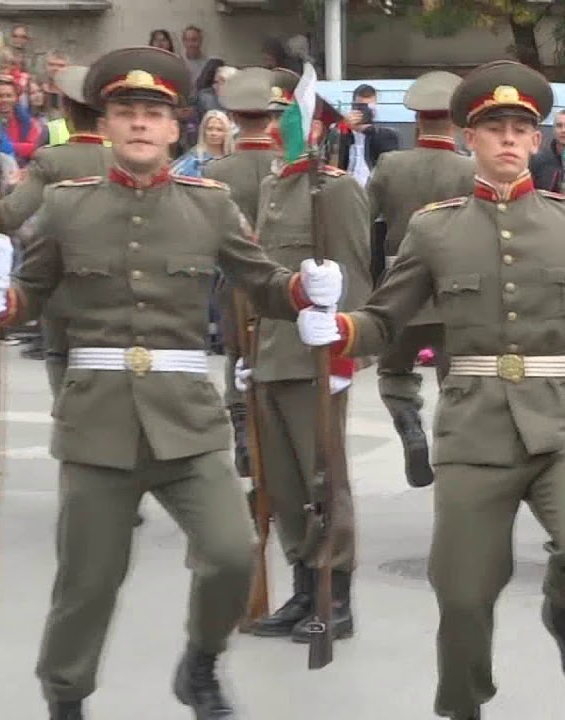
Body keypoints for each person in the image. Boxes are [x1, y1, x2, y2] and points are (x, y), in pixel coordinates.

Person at [295, 59, 565, 720]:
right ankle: (465, 707)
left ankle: (564, 612)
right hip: (474, 428)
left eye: (519, 128)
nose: (507, 138)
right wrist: (333, 326)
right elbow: (387, 319)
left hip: (560, 421)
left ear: (537, 141)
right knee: (463, 598)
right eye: (492, 126)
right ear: (469, 138)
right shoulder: (434, 228)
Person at [0, 46, 322, 720]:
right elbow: (31, 295)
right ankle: (66, 694)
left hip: (186, 419)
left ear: (176, 126)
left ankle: (201, 662)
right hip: (97, 423)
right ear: (108, 123)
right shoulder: (68, 207)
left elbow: (260, 282)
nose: (140, 124)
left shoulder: (209, 206)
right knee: (87, 583)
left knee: (231, 553)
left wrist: (305, 291)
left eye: (154, 113)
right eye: (126, 112)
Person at [232, 67, 372, 645]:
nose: (276, 128)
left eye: (286, 118)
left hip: (315, 363)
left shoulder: (335, 189)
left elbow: (357, 277)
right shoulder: (270, 186)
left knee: (324, 481)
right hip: (269, 357)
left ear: (315, 125)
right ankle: (299, 586)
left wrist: (342, 355)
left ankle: (333, 595)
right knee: (283, 485)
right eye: (271, 119)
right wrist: (247, 351)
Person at [0, 66, 113, 395]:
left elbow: (11, 214)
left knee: (61, 362)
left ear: (66, 110)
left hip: (63, 277)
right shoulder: (126, 157)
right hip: (121, 282)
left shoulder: (52, 160)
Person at [363, 70, 475, 490]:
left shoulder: (391, 165)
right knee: (457, 382)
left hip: (399, 287)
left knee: (393, 372)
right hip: (455, 290)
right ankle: (454, 459)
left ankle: (409, 422)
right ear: (455, 121)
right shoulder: (469, 169)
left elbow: (363, 220)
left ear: (418, 120)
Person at [205, 68, 291, 478]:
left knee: (237, 356)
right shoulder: (286, 167)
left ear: (235, 118)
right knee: (278, 356)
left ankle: (242, 428)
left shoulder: (215, 172)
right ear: (271, 118)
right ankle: (276, 434)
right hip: (283, 277)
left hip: (234, 280)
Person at [170, 109, 230, 177]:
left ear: (227, 132)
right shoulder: (192, 159)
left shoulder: (232, 157)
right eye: (210, 129)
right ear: (203, 131)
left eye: (219, 130)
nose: (214, 133)